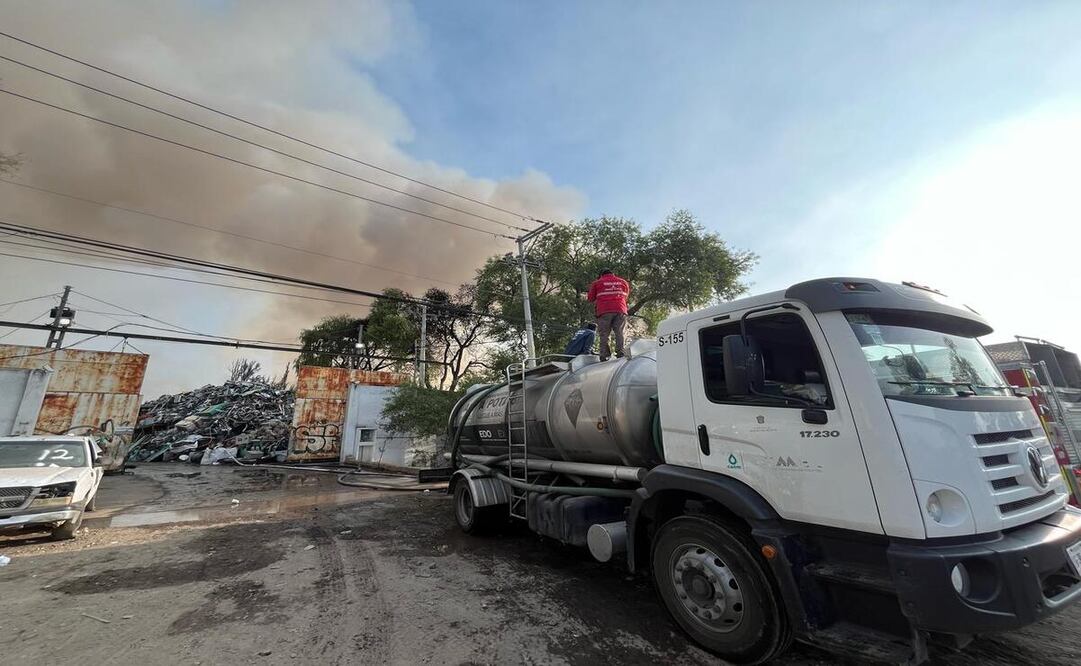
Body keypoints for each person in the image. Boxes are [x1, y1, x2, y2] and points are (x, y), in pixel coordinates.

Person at [587, 268, 630, 360]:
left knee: (604, 334)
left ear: (601, 275)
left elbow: (590, 298)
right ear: (613, 274)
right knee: (619, 332)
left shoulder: (597, 283)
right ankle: (620, 353)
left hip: (604, 311)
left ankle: (605, 355)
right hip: (620, 310)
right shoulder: (623, 282)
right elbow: (626, 296)